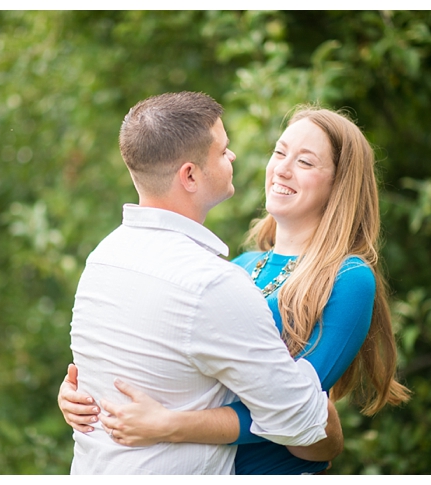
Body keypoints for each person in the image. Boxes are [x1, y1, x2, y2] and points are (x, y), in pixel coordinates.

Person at [59, 104, 411, 474]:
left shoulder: (347, 277)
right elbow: (173, 365)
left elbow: (300, 414)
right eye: (279, 152)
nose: (282, 169)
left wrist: (169, 424)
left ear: (340, 185)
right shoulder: (238, 267)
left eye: (305, 162)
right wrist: (90, 394)